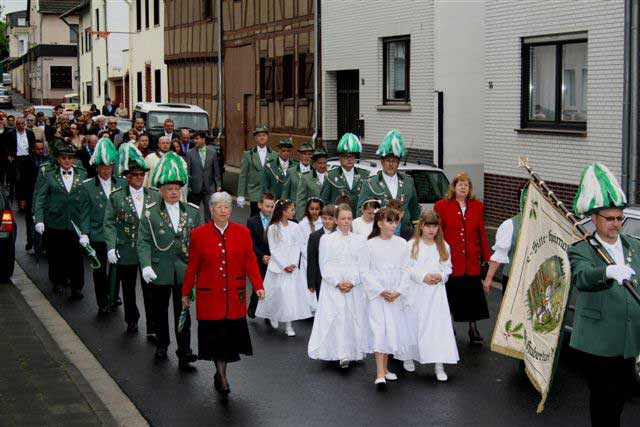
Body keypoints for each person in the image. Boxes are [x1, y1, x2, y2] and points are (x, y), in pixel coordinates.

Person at [568, 163, 640, 427]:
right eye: (610, 218)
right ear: (595, 219)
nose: (616, 224)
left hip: (629, 339)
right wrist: (607, 272)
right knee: (604, 401)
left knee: (620, 398)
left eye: (619, 218)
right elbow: (582, 278)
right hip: (597, 341)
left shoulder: (635, 246)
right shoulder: (582, 250)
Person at [182, 192, 265, 397]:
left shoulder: (242, 233)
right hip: (210, 298)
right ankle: (222, 378)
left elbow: (250, 261)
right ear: (211, 210)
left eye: (226, 207)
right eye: (218, 207)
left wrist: (258, 285)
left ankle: (221, 375)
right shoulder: (199, 234)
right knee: (216, 340)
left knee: (227, 341)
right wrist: (186, 292)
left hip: (233, 298)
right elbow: (192, 266)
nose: (223, 210)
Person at [137, 152, 201, 368]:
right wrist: (145, 265)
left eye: (176, 189)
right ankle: (162, 344)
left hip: (183, 271)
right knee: (160, 310)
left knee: (183, 310)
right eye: (169, 190)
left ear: (181, 190)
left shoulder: (192, 212)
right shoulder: (150, 213)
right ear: (161, 191)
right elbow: (143, 241)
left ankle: (184, 351)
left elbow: (200, 244)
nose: (173, 193)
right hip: (159, 269)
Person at [104, 143, 161, 335]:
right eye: (135, 175)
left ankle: (152, 325)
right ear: (127, 177)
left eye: (141, 175)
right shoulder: (117, 196)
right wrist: (111, 247)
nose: (138, 178)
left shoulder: (154, 195)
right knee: (128, 288)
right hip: (126, 248)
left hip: (149, 251)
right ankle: (132, 319)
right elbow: (110, 223)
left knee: (150, 290)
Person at [308, 203, 369, 368]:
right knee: (337, 317)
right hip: (333, 285)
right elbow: (324, 264)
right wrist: (336, 282)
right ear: (336, 220)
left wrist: (353, 282)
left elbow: (363, 265)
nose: (346, 222)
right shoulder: (326, 239)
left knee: (352, 318)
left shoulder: (360, 240)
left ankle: (353, 351)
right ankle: (339, 352)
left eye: (349, 218)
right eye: (343, 218)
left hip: (353, 285)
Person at [434, 173, 490, 344]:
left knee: (473, 297)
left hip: (471, 261)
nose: (463, 187)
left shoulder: (477, 206)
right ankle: (448, 327)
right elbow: (438, 233)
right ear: (453, 187)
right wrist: (437, 255)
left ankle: (473, 330)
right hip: (451, 260)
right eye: (460, 184)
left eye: (467, 185)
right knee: (451, 296)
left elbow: (481, 231)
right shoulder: (442, 206)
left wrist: (486, 256)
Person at [72, 138, 125, 314]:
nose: (106, 170)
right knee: (99, 269)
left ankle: (113, 295)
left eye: (109, 166)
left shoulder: (122, 184)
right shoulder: (87, 187)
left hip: (117, 234)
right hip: (97, 234)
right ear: (96, 167)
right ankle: (102, 301)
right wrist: (85, 233)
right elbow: (84, 213)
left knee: (116, 268)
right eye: (102, 166)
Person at [403, 210, 458, 381]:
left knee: (437, 328)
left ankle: (439, 364)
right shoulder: (412, 245)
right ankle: (408, 356)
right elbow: (406, 268)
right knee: (413, 324)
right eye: (427, 226)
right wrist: (422, 277)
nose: (431, 230)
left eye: (434, 226)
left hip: (436, 294)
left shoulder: (443, 246)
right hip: (416, 292)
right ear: (421, 226)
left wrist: (440, 276)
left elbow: (448, 268)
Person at [362, 208, 413, 387]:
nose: (393, 225)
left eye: (395, 221)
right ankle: (379, 372)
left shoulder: (402, 244)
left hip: (395, 293)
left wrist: (399, 291)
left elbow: (407, 269)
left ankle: (386, 369)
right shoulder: (369, 244)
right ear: (379, 223)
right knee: (379, 329)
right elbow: (365, 271)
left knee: (390, 329)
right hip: (378, 294)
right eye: (390, 221)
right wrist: (380, 290)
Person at [33, 141, 87, 298]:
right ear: (58, 159)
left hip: (75, 222)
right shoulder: (49, 174)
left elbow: (86, 200)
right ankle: (57, 281)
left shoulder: (82, 174)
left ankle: (77, 287)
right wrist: (39, 219)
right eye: (64, 158)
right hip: (55, 221)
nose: (67, 161)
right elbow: (40, 198)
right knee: (56, 254)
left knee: (76, 256)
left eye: (70, 158)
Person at [255, 199, 314, 336]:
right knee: (276, 293)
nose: (294, 212)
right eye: (291, 210)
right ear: (283, 212)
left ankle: (289, 325)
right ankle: (273, 315)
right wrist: (283, 265)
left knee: (289, 296)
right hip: (278, 266)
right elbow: (273, 249)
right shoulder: (273, 228)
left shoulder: (295, 226)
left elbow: (298, 245)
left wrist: (292, 263)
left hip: (291, 266)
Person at [358, 130, 420, 229]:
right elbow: (360, 211)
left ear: (398, 162)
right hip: (379, 232)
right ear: (382, 162)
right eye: (388, 160)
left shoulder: (409, 182)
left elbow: (414, 210)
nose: (391, 164)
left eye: (394, 161)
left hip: (404, 232)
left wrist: (416, 232)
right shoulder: (370, 183)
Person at [483, 186, 528, 295]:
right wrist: (488, 278)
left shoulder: (542, 226)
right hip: (513, 278)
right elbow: (499, 254)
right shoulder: (510, 225)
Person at [320, 133, 368, 214]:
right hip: (337, 219)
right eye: (346, 156)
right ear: (340, 158)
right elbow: (324, 201)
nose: (349, 159)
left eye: (352, 156)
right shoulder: (330, 176)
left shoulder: (364, 174)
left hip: (358, 221)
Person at [245, 192, 275, 318]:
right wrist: (262, 256)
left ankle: (268, 313)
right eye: (267, 206)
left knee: (271, 286)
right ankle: (253, 305)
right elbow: (250, 243)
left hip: (273, 259)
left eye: (272, 207)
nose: (269, 209)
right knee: (259, 284)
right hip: (258, 258)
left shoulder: (275, 222)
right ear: (260, 205)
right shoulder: (252, 221)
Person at [236, 125, 277, 216]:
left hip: (270, 193)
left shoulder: (274, 154)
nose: (262, 137)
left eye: (264, 135)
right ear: (255, 138)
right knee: (255, 218)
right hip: (255, 193)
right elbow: (243, 175)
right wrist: (240, 194)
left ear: (267, 137)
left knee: (270, 219)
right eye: (259, 136)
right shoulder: (248, 154)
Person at [16, 141, 47, 251]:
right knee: (29, 219)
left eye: (42, 149)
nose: (41, 151)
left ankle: (42, 244)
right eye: (38, 149)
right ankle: (30, 241)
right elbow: (21, 182)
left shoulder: (47, 161)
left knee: (43, 219)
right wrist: (22, 199)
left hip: (44, 195)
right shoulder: (27, 162)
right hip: (30, 194)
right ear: (33, 150)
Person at [186, 131, 221, 222]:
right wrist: (188, 185)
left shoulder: (212, 152)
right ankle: (193, 230)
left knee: (209, 211)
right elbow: (187, 170)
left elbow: (216, 170)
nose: (195, 141)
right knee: (193, 211)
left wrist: (218, 184)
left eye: (197, 139)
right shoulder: (189, 153)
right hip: (194, 187)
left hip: (209, 187)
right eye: (194, 139)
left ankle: (208, 231)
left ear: (203, 139)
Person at [295, 198, 324, 307]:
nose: (314, 211)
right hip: (306, 259)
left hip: (320, 258)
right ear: (308, 209)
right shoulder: (302, 224)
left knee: (318, 281)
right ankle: (307, 306)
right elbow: (301, 243)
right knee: (305, 282)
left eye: (317, 209)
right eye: (312, 209)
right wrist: (309, 254)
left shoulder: (323, 223)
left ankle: (316, 306)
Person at [306, 204, 337, 298]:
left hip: (337, 276)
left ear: (336, 219)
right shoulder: (314, 236)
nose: (327, 221)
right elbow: (311, 260)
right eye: (324, 218)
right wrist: (311, 282)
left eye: (330, 218)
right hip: (320, 278)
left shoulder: (339, 235)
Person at [145, 136, 187, 200]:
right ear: (158, 145)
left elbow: (184, 176)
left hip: (173, 194)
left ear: (170, 145)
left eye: (167, 143)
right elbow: (145, 176)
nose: (165, 145)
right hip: (155, 192)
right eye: (163, 143)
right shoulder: (150, 158)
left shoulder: (178, 159)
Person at [295, 148, 329, 221]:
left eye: (324, 163)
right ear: (314, 164)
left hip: (328, 217)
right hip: (311, 217)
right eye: (320, 163)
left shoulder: (331, 176)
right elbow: (301, 200)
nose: (322, 166)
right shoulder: (306, 178)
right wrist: (300, 219)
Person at [282, 142, 314, 214]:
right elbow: (285, 193)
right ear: (299, 155)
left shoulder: (315, 171)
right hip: (294, 211)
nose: (306, 156)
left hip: (311, 211)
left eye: (309, 154)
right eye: (304, 154)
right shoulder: (291, 171)